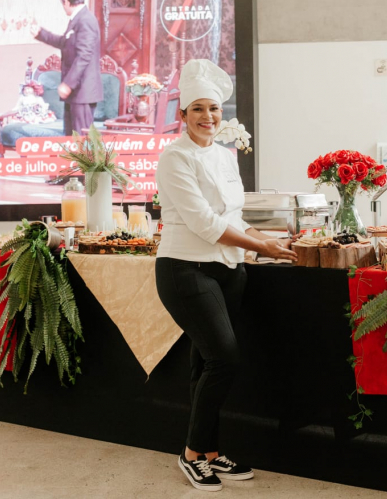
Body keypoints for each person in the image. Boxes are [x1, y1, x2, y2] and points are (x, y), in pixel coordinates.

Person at [154, 59, 297, 492]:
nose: (207, 118)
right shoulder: (173, 158)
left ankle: (210, 454)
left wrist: (274, 239)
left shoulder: (225, 156)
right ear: (182, 115)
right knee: (224, 358)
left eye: (213, 109)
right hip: (185, 269)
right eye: (197, 109)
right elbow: (204, 223)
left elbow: (235, 216)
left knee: (205, 362)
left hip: (229, 269)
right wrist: (263, 247)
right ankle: (192, 454)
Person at [30, 0, 103, 136]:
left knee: (82, 142)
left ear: (66, 2)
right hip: (76, 93)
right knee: (72, 139)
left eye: (62, 4)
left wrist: (68, 84)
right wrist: (40, 34)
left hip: (82, 92)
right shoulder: (77, 19)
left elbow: (84, 56)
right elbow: (65, 43)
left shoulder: (86, 20)